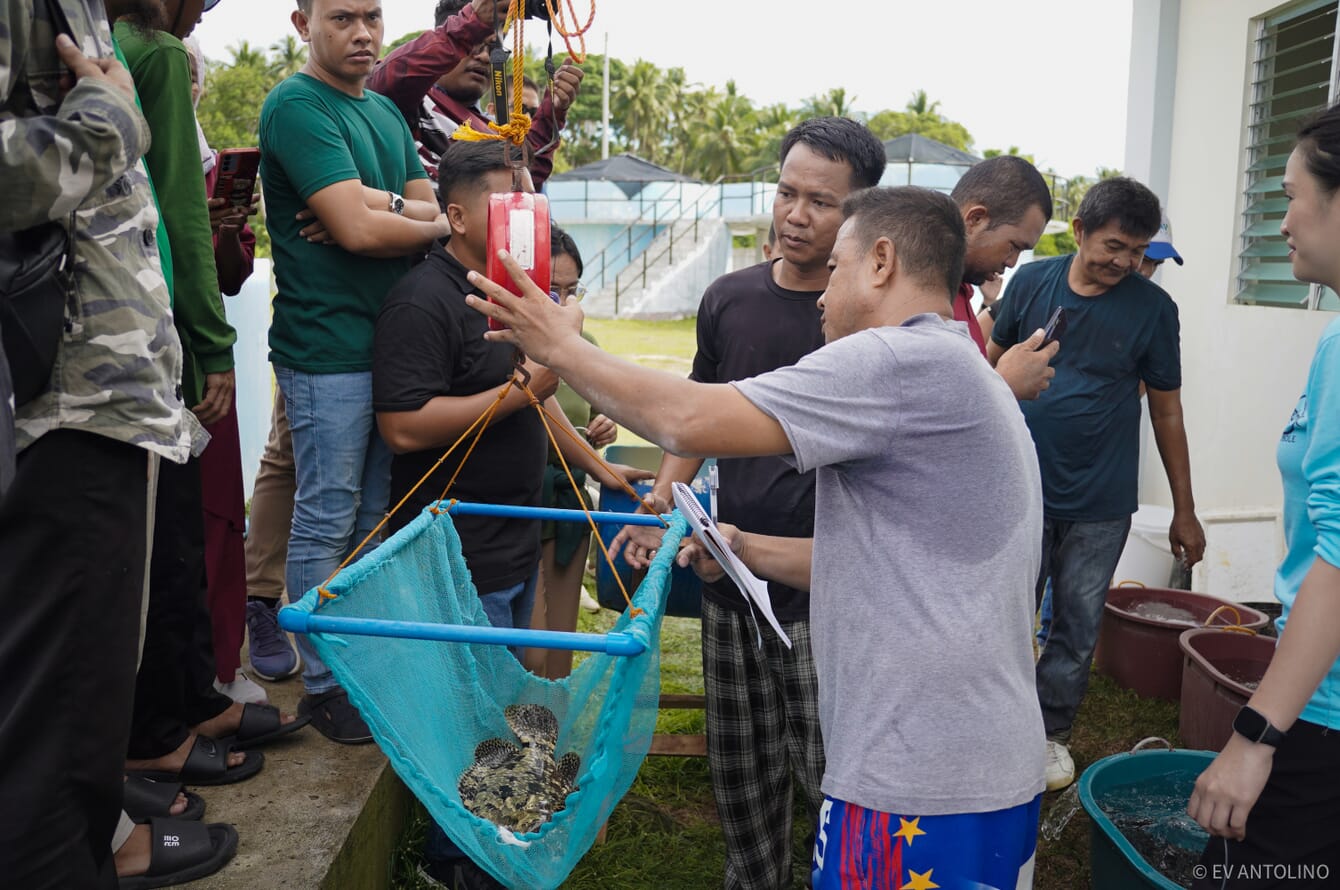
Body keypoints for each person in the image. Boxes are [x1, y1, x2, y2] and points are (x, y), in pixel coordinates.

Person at [469, 185, 1047, 890]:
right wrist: (745, 550)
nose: (821, 295)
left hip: (920, 779)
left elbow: (686, 417)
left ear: (882, 263)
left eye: (837, 267)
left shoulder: (899, 362)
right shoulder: (957, 370)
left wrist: (556, 344)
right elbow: (897, 567)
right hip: (975, 763)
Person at [613, 116, 887, 890]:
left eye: (821, 202)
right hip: (727, 570)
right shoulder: (728, 299)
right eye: (788, 193)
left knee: (831, 765)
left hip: (828, 586)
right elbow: (697, 410)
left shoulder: (866, 326)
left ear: (860, 217)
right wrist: (662, 498)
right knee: (741, 766)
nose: (797, 215)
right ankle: (755, 876)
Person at [371, 138, 649, 889]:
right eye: (504, 197)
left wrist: (594, 459)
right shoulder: (423, 300)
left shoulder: (504, 293)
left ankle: (482, 845)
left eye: (527, 194)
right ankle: (455, 863)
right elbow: (402, 426)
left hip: (510, 540)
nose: (522, 210)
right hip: (456, 551)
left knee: (497, 705)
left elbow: (540, 398)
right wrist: (530, 389)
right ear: (455, 215)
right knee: (468, 714)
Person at [0, 0, 223, 884]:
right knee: (58, 705)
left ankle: (88, 836)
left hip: (99, 394)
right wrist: (107, 123)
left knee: (87, 692)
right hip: (57, 398)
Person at [259, 0, 452, 743]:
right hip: (327, 346)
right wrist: (394, 220)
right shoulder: (296, 107)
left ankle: (359, 664)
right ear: (302, 22)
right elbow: (361, 231)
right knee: (329, 511)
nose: (364, 33)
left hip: (390, 346)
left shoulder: (384, 114)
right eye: (342, 17)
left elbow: (425, 217)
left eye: (372, 15)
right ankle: (323, 681)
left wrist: (391, 210)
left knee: (374, 516)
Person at [988, 176, 1206, 791]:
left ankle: (1049, 734)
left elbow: (1167, 412)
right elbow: (987, 367)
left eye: (1137, 251)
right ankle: (997, 723)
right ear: (1080, 231)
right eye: (1114, 244)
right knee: (1004, 610)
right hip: (1018, 486)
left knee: (1077, 624)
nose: (1124, 261)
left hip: (1101, 500)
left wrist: (1183, 511)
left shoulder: (1155, 311)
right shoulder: (1031, 282)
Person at [1186, 105, 1340, 888]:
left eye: (1289, 194)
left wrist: (1254, 737)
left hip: (1324, 719)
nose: (1280, 221)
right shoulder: (1335, 339)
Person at [524, 227, 619, 681]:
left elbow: (602, 415)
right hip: (521, 502)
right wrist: (598, 462)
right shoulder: (513, 343)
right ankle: (509, 743)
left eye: (570, 290)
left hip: (570, 503)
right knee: (529, 648)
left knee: (560, 645)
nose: (562, 303)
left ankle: (547, 744)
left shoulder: (587, 345)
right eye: (549, 289)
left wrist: (602, 431)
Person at [367, 0, 580, 192]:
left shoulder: (493, 128)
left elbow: (525, 175)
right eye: (475, 44)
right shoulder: (412, 102)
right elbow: (387, 79)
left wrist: (552, 111)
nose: (485, 57)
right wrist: (471, 23)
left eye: (495, 48)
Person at [950, 155, 1059, 400]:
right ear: (975, 219)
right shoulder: (911, 291)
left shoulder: (958, 287)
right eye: (1013, 246)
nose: (1012, 262)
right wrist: (1004, 384)